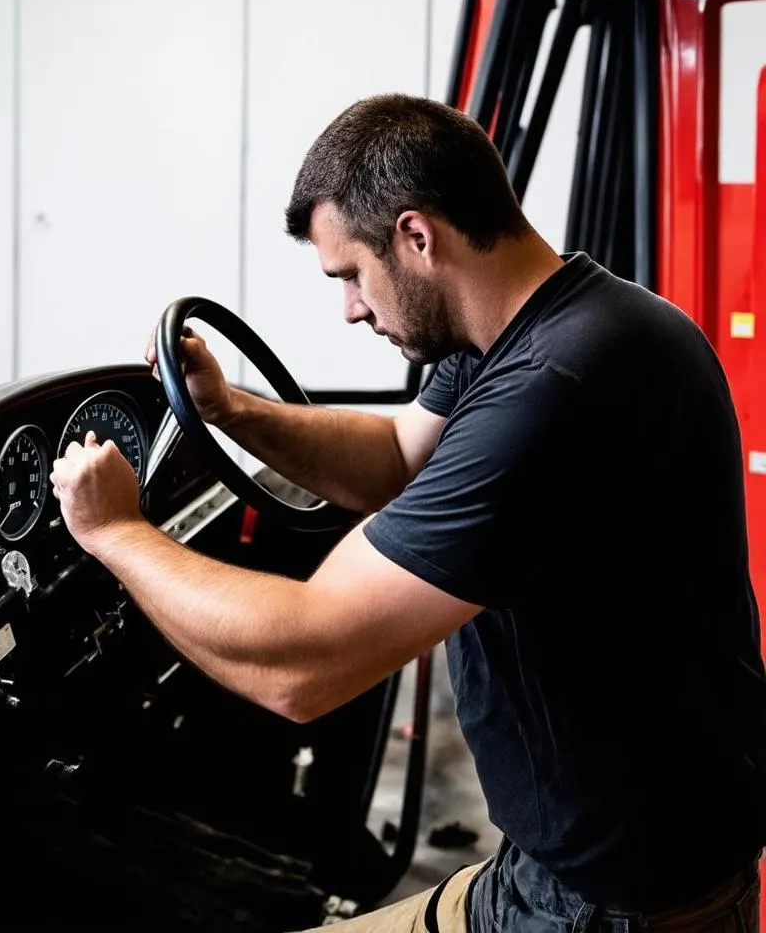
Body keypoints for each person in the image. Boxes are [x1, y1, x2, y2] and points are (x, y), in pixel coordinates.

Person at [49, 94, 766, 932]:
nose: (351, 307)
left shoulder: (555, 388)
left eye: (351, 274)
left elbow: (303, 666)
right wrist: (234, 410)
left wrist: (115, 533)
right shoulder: (554, 324)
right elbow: (396, 457)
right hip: (587, 865)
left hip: (611, 906)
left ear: (417, 238)